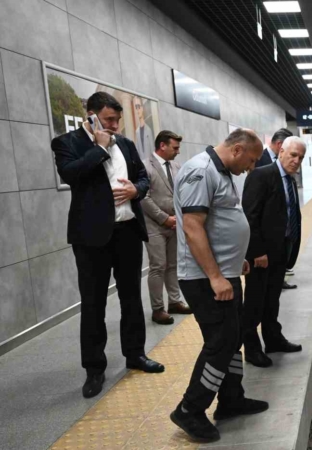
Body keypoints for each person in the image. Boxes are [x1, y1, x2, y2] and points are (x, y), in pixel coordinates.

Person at [51, 92, 165, 399]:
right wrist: (100, 147)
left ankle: (135, 355)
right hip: (91, 239)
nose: (115, 125)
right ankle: (94, 369)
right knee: (93, 304)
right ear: (90, 116)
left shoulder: (126, 145)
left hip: (127, 232)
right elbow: (71, 174)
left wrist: (135, 190)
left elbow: (143, 179)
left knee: (131, 298)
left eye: (117, 120)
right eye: (108, 120)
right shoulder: (66, 144)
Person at [171, 128, 268, 442]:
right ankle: (190, 408)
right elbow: (192, 227)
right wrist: (215, 275)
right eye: (251, 160)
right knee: (221, 341)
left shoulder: (222, 170)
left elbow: (219, 222)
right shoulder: (200, 171)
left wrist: (233, 259)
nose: (251, 167)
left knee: (233, 336)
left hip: (223, 275)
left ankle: (231, 399)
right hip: (204, 279)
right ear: (238, 149)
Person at [241, 136, 306, 368]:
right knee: (255, 302)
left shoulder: (289, 179)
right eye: (293, 155)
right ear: (281, 151)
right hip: (261, 255)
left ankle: (273, 339)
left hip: (280, 251)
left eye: (300, 157)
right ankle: (251, 348)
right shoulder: (261, 175)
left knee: (272, 300)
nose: (296, 160)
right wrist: (257, 251)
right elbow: (250, 216)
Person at [140, 130, 191, 325]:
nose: (178, 151)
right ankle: (158, 309)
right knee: (158, 266)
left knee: (173, 265)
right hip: (154, 225)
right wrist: (164, 218)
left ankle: (175, 302)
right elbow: (143, 198)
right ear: (162, 145)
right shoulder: (145, 167)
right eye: (175, 147)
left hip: (175, 224)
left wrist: (178, 217)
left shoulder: (177, 166)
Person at [256, 128, 298, 290]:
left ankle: (280, 279)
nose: (295, 160)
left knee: (281, 257)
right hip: (269, 224)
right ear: (281, 145)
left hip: (285, 223)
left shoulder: (286, 165)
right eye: (292, 153)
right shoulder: (260, 160)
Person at [133, 96, 154, 160]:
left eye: (138, 106)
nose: (137, 110)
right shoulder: (137, 131)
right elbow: (137, 151)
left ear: (142, 108)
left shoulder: (149, 129)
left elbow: (152, 150)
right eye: (136, 107)